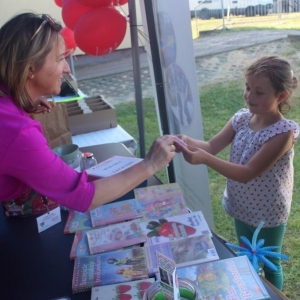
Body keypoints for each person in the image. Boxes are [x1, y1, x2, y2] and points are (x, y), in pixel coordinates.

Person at [0, 13, 176, 214]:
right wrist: (150, 164)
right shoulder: (19, 132)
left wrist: (24, 101)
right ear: (30, 67)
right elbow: (84, 196)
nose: (66, 69)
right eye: (60, 59)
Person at [174, 56, 300, 290]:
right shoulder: (242, 119)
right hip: (241, 205)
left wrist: (205, 160)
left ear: (280, 96)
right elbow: (211, 146)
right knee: (245, 256)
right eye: (248, 88)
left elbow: (246, 173)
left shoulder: (283, 133)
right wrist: (186, 140)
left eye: (259, 92)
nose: (249, 96)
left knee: (270, 262)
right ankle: (250, 291)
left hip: (268, 212)